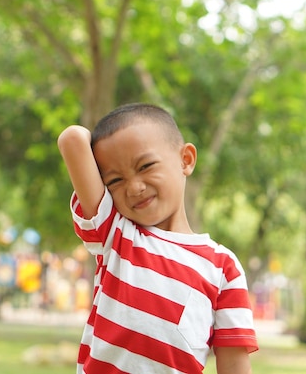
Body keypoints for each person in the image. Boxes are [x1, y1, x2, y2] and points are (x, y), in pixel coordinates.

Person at [57, 103, 258, 374]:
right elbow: (72, 139)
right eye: (115, 181)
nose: (134, 187)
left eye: (146, 166)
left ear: (185, 159)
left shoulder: (223, 268)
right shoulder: (115, 234)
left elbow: (234, 365)